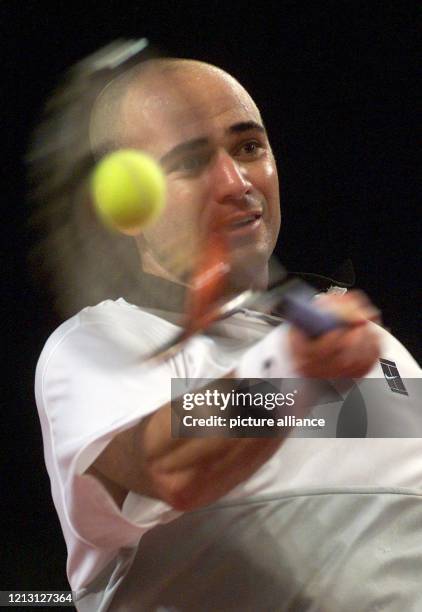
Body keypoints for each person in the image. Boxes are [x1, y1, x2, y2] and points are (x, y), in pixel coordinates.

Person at [35, 56, 421, 611]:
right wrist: (288, 370)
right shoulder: (97, 345)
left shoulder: (377, 349)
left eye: (248, 147)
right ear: (127, 206)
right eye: (191, 162)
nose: (236, 183)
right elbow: (168, 467)